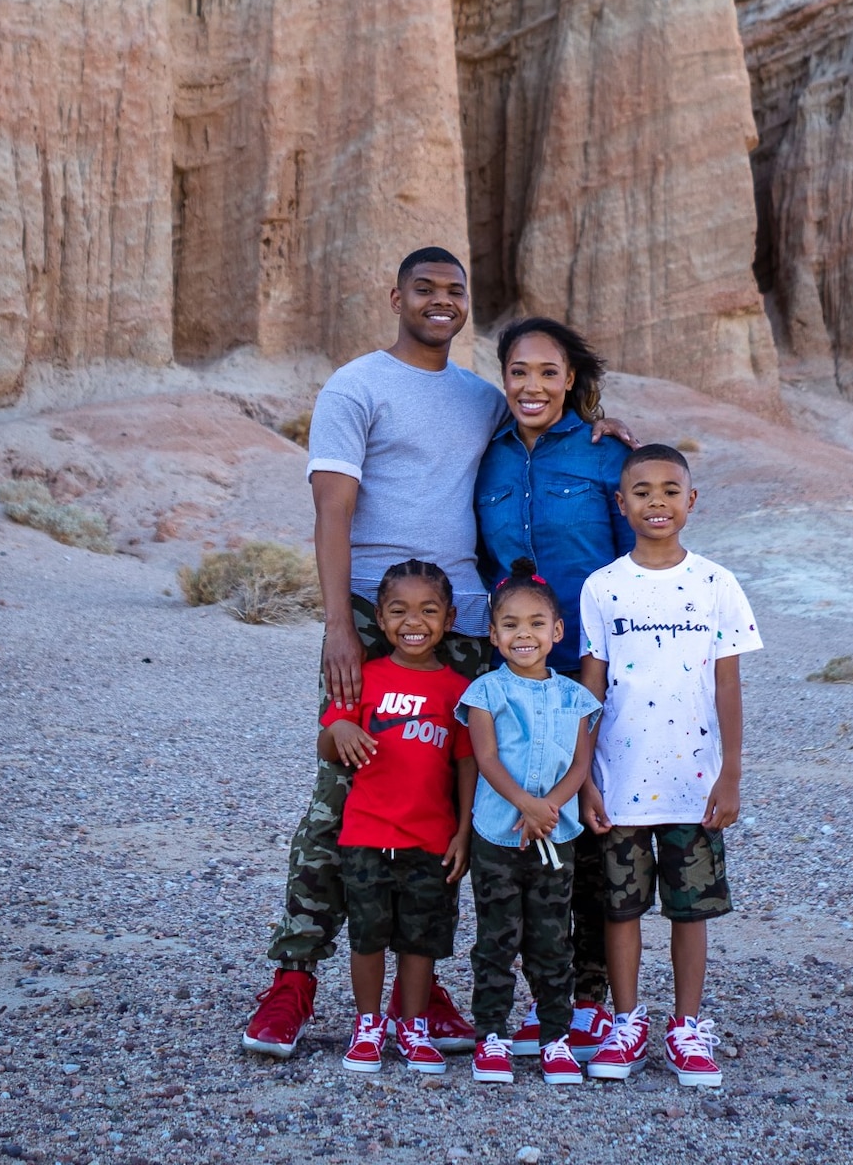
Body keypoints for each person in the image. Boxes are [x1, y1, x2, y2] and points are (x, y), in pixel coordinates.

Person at [243, 248, 632, 1060]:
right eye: (424, 289)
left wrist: (603, 426)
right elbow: (331, 510)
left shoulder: (482, 400)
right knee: (344, 795)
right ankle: (294, 978)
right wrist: (340, 627)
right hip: (372, 613)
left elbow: (543, 429)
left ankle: (422, 989)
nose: (440, 302)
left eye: (456, 291)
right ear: (396, 296)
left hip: (464, 617)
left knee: (442, 805)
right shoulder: (356, 386)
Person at [577, 444, 762, 1089]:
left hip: (693, 783)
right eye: (642, 491)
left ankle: (687, 1027)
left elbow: (729, 686)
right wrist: (585, 780)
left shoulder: (717, 584)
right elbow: (589, 690)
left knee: (691, 910)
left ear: (691, 501)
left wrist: (730, 772)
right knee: (621, 909)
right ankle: (627, 1023)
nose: (656, 501)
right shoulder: (602, 587)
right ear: (620, 502)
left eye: (670, 490)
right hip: (621, 783)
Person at [474, 316, 633, 1062]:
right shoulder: (490, 459)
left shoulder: (608, 457)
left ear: (571, 380)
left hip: (592, 674)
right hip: (514, 675)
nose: (531, 386)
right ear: (501, 377)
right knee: (512, 830)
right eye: (517, 371)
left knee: (592, 835)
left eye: (547, 372)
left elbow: (638, 569)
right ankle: (524, 999)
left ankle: (590, 999)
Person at [316, 560, 475, 1078]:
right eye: (399, 610)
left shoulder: (456, 690)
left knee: (419, 940)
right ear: (380, 620)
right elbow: (328, 739)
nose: (414, 621)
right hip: (366, 835)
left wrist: (463, 831)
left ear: (449, 618)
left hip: (430, 840)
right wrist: (338, 729)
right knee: (368, 936)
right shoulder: (366, 676)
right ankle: (368, 1025)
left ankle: (412, 1025)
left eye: (428, 610)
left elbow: (467, 764)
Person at [455, 559, 602, 1087]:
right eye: (511, 625)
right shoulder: (484, 694)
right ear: (494, 635)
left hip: (556, 839)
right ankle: (491, 1036)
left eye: (537, 624)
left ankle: (554, 1039)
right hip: (498, 833)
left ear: (556, 632)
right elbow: (487, 758)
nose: (525, 634)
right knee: (496, 937)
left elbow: (581, 764)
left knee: (550, 940)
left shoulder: (576, 698)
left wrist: (550, 807)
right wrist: (525, 804)